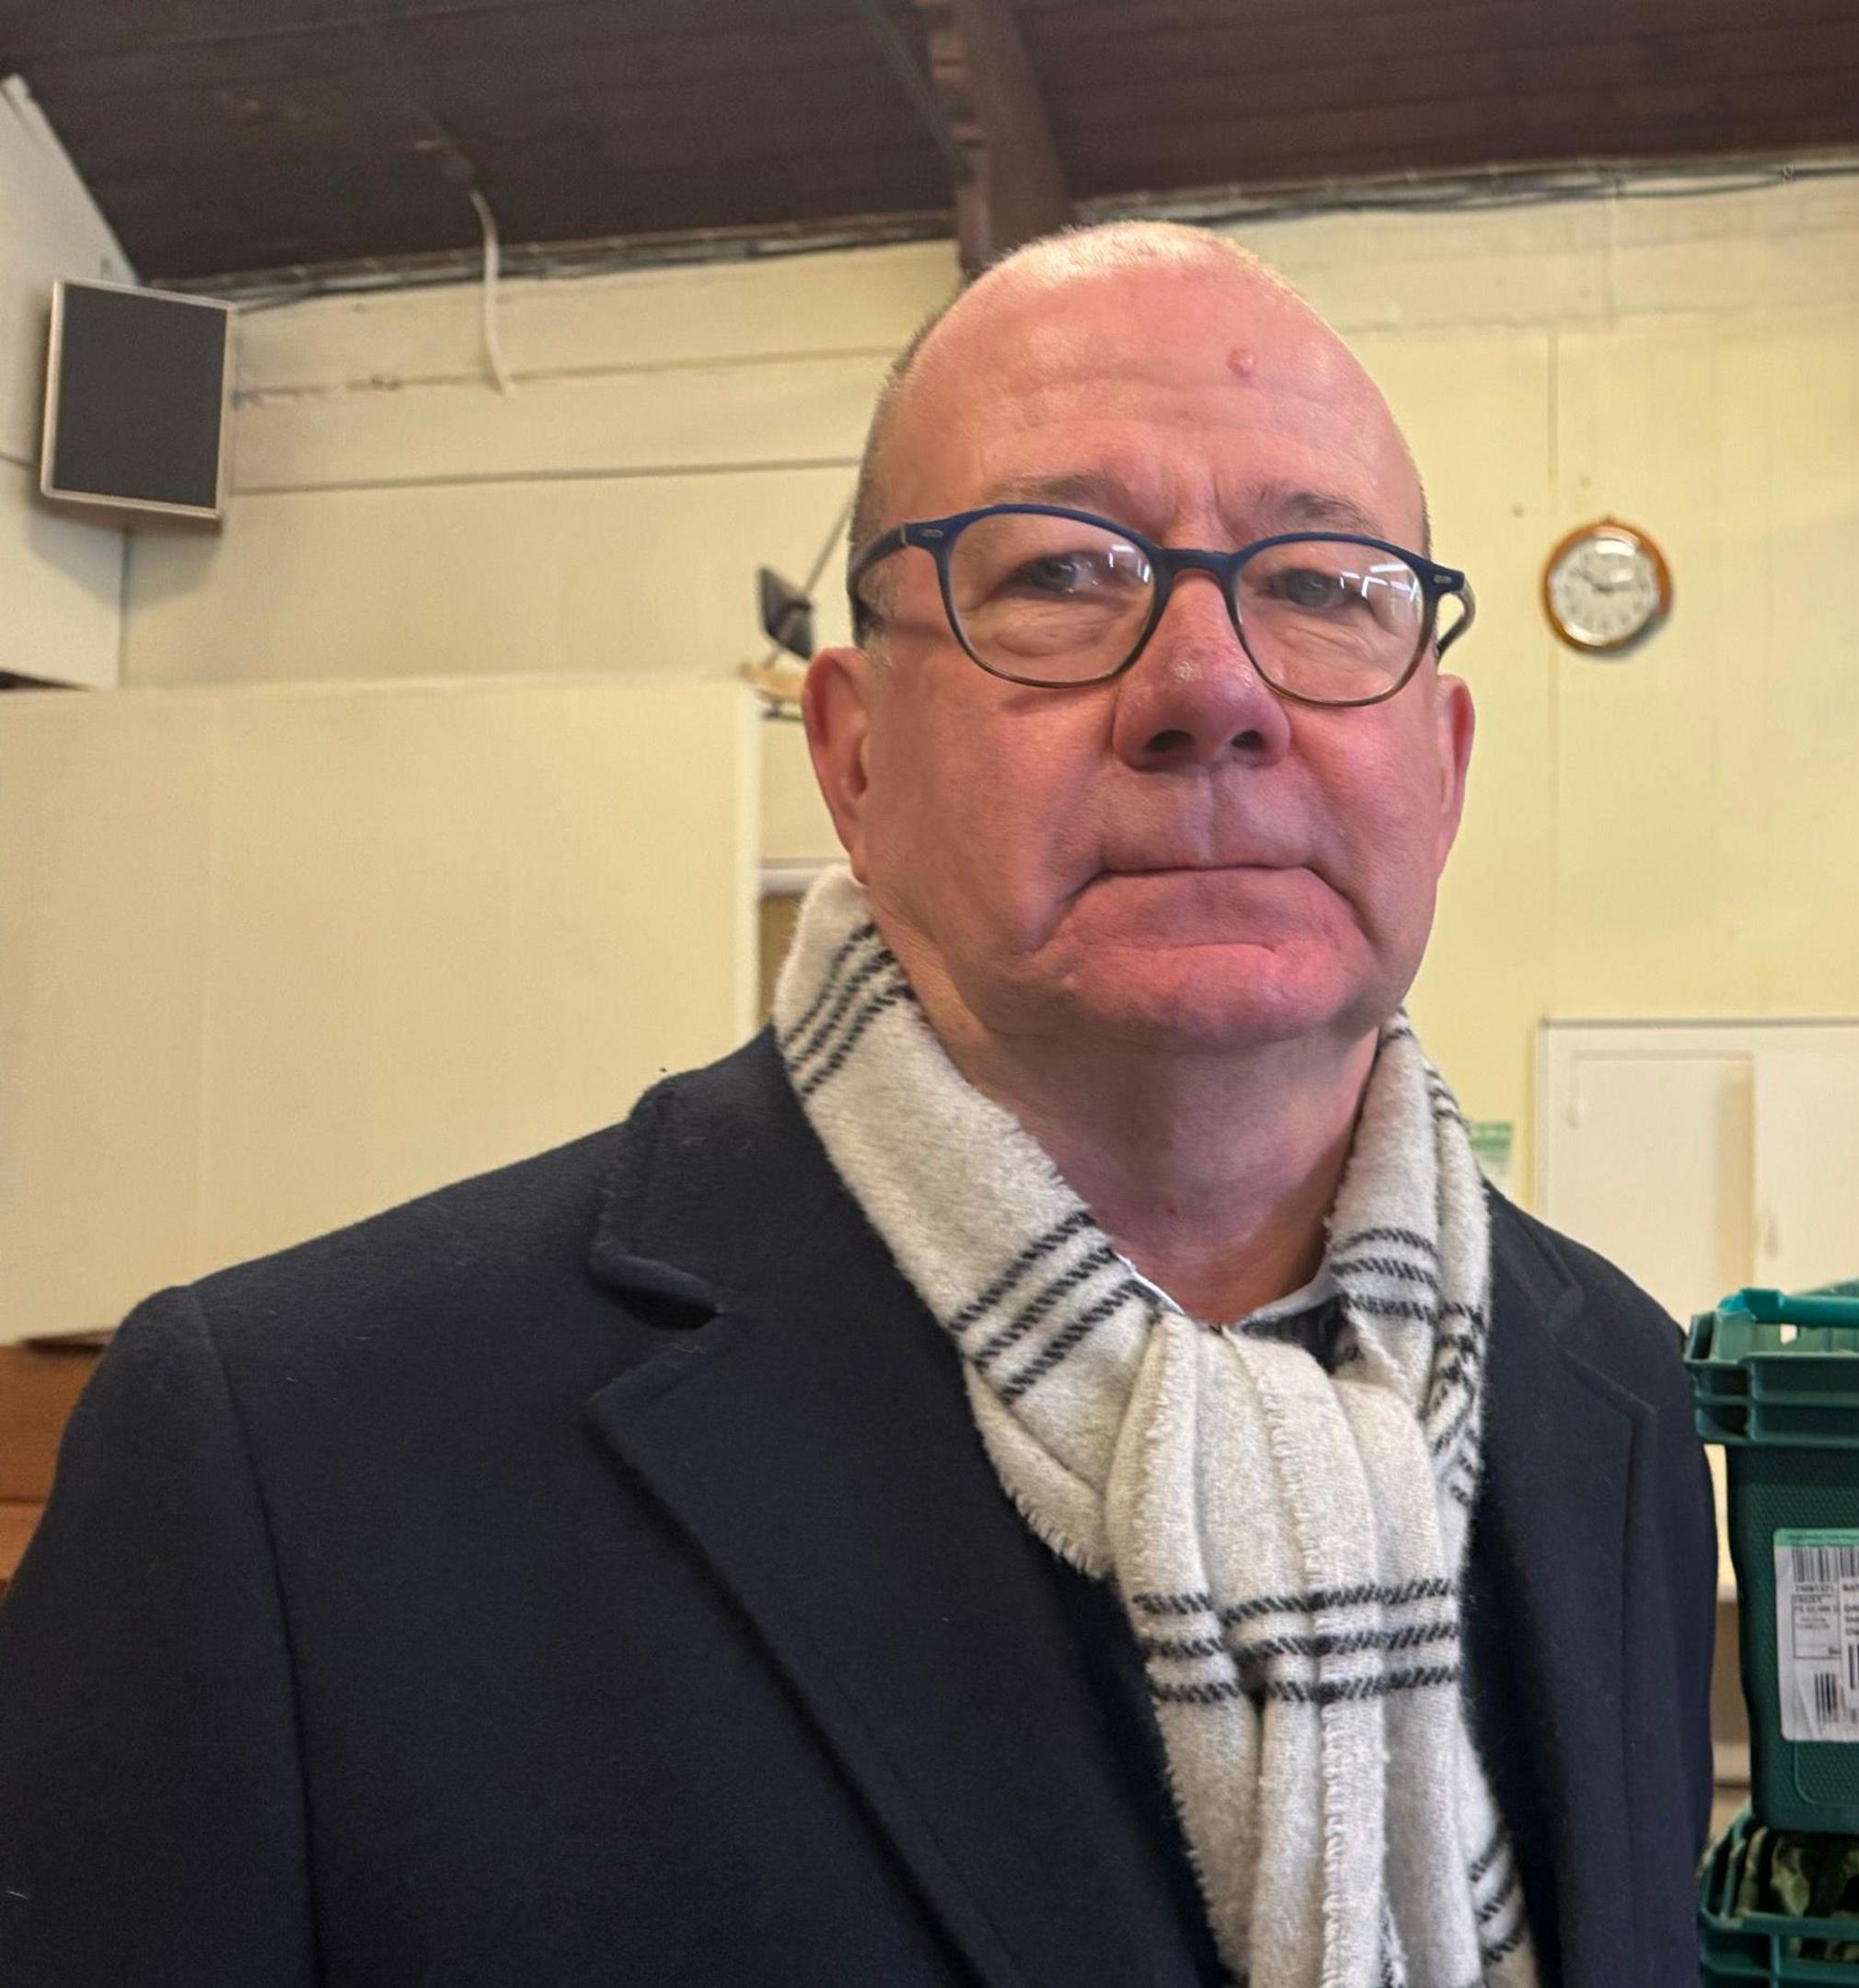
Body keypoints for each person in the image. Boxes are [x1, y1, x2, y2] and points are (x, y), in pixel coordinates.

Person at [0, 223, 1715, 1987]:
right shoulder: (286, 1470)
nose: (1212, 689)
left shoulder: (1621, 1398)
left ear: (1440, 767)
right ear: (854, 755)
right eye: (1060, 572)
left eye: (1324, 585)